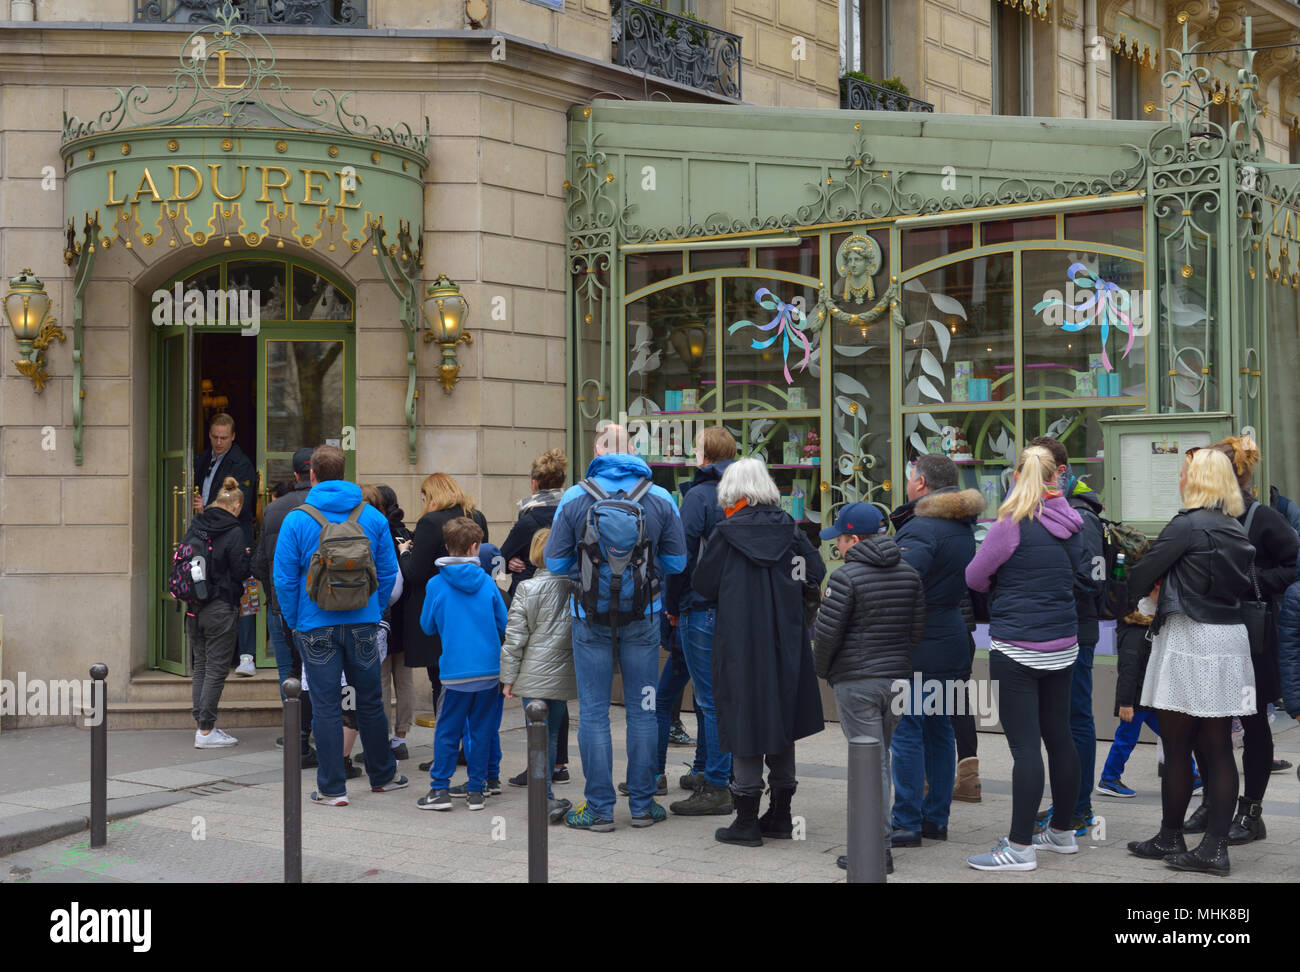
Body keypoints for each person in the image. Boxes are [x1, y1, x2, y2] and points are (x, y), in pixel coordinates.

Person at [544, 423, 687, 831]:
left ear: (599, 449)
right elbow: (677, 564)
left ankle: (599, 810)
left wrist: (590, 574)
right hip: (643, 617)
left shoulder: (575, 496)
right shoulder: (659, 497)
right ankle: (643, 806)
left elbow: (554, 564)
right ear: (634, 451)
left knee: (592, 713)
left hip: (587, 618)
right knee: (643, 710)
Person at [1125, 447, 1256, 874]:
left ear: (1197, 480)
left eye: (1184, 471)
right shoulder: (1234, 527)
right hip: (1229, 639)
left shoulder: (1186, 526)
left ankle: (1175, 836)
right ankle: (1213, 843)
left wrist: (1148, 590)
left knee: (1179, 745)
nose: (1180, 477)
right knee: (1217, 746)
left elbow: (1140, 575)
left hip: (1190, 638)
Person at [690, 458, 827, 847]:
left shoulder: (725, 533)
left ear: (735, 494)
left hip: (740, 642)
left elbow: (703, 583)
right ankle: (781, 816)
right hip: (787, 641)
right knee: (782, 718)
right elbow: (813, 573)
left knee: (743, 718)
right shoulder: (793, 531)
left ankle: (746, 821)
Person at [964, 446, 1086, 871]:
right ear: (1056, 477)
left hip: (1018, 648)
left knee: (1024, 749)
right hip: (1063, 644)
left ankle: (1018, 848)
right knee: (1061, 738)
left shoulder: (1009, 524)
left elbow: (975, 577)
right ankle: (1063, 832)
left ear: (1016, 476)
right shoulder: (1071, 522)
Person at [273, 444, 406, 806]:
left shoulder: (297, 519)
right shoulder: (373, 517)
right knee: (371, 699)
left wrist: (295, 620)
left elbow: (283, 579)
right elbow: (389, 571)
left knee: (326, 705)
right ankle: (383, 775)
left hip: (315, 625)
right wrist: (374, 611)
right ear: (344, 472)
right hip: (363, 622)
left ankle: (332, 788)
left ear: (312, 475)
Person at [1181, 437, 1297, 843]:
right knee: (1200, 720)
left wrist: (1253, 582)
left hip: (1252, 635)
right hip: (1206, 633)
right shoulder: (1201, 514)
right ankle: (1215, 801)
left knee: (1253, 724)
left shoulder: (1261, 517)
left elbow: (1293, 564)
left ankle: (1251, 813)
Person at [814, 502, 925, 874]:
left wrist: (824, 671)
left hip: (857, 682)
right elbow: (915, 632)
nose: (838, 547)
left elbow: (826, 636)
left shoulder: (845, 578)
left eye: (840, 539)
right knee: (882, 760)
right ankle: (880, 844)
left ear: (855, 538)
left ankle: (875, 850)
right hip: (897, 681)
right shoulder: (909, 574)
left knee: (869, 766)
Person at [887, 453, 983, 845]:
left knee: (907, 729)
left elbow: (900, 583)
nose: (908, 484)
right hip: (952, 638)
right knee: (940, 728)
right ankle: (935, 819)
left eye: (911, 478)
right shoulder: (961, 526)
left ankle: (906, 821)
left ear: (921, 483)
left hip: (919, 641)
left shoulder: (921, 529)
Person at [1029, 436, 1105, 835]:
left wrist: (1042, 586)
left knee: (1075, 720)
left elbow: (1090, 579)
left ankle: (1078, 808)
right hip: (1057, 630)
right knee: (1059, 722)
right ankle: (1065, 803)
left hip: (1076, 631)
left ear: (1061, 471)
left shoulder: (1082, 516)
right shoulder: (1049, 510)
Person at [663, 425, 737, 816]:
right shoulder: (744, 491)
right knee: (715, 695)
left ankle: (716, 783)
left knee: (709, 699)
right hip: (734, 606)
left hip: (699, 604)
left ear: (704, 455)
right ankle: (708, 769)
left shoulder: (699, 496)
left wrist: (672, 604)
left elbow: (680, 558)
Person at [416, 517, 509, 811]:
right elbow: (503, 622)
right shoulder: (486, 582)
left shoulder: (436, 584)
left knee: (447, 731)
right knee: (482, 730)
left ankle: (439, 790)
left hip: (455, 672)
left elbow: (427, 626)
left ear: (446, 546)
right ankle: (476, 790)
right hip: (489, 670)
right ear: (475, 547)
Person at [500, 450, 573, 787]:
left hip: (536, 602)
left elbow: (502, 556)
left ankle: (539, 771)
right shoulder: (571, 509)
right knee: (557, 694)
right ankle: (559, 763)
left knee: (538, 700)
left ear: (534, 482)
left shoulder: (528, 518)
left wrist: (517, 562)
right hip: (567, 604)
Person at [500, 528, 575, 823]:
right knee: (553, 734)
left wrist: (508, 678)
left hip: (532, 675)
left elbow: (514, 638)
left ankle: (541, 799)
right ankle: (545, 797)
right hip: (562, 673)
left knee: (536, 738)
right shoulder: (574, 586)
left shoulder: (527, 589)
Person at [401, 473, 489, 723]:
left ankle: (445, 748)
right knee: (467, 684)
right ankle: (465, 745)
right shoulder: (476, 516)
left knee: (440, 683)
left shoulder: (430, 522)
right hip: (471, 610)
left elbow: (415, 574)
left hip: (440, 610)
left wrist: (404, 553)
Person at [250, 447, 317, 765]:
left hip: (280, 605)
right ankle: (318, 729)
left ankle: (294, 732)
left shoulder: (275, 509)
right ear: (315, 473)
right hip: (323, 606)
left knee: (288, 672)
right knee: (322, 669)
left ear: (294, 476)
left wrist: (272, 596)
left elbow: (260, 562)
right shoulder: (329, 506)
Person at [187, 476, 251, 748]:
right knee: (215, 668)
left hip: (194, 606)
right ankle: (205, 730)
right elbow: (239, 571)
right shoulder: (234, 531)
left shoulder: (195, 526)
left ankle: (202, 722)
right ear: (235, 505)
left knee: (201, 665)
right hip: (221, 608)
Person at [193, 413, 258, 676]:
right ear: (209, 435)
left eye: (223, 438)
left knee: (245, 592)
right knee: (207, 591)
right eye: (214, 437)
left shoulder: (241, 464)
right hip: (206, 537)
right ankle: (206, 655)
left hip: (235, 537)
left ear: (233, 436)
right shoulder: (200, 460)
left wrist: (206, 507)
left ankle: (247, 655)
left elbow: (241, 505)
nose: (218, 442)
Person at [359, 484, 415, 762]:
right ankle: (400, 738)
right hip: (405, 617)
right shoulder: (406, 534)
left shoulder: (373, 530)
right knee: (404, 679)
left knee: (379, 680)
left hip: (381, 615)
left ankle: (380, 739)